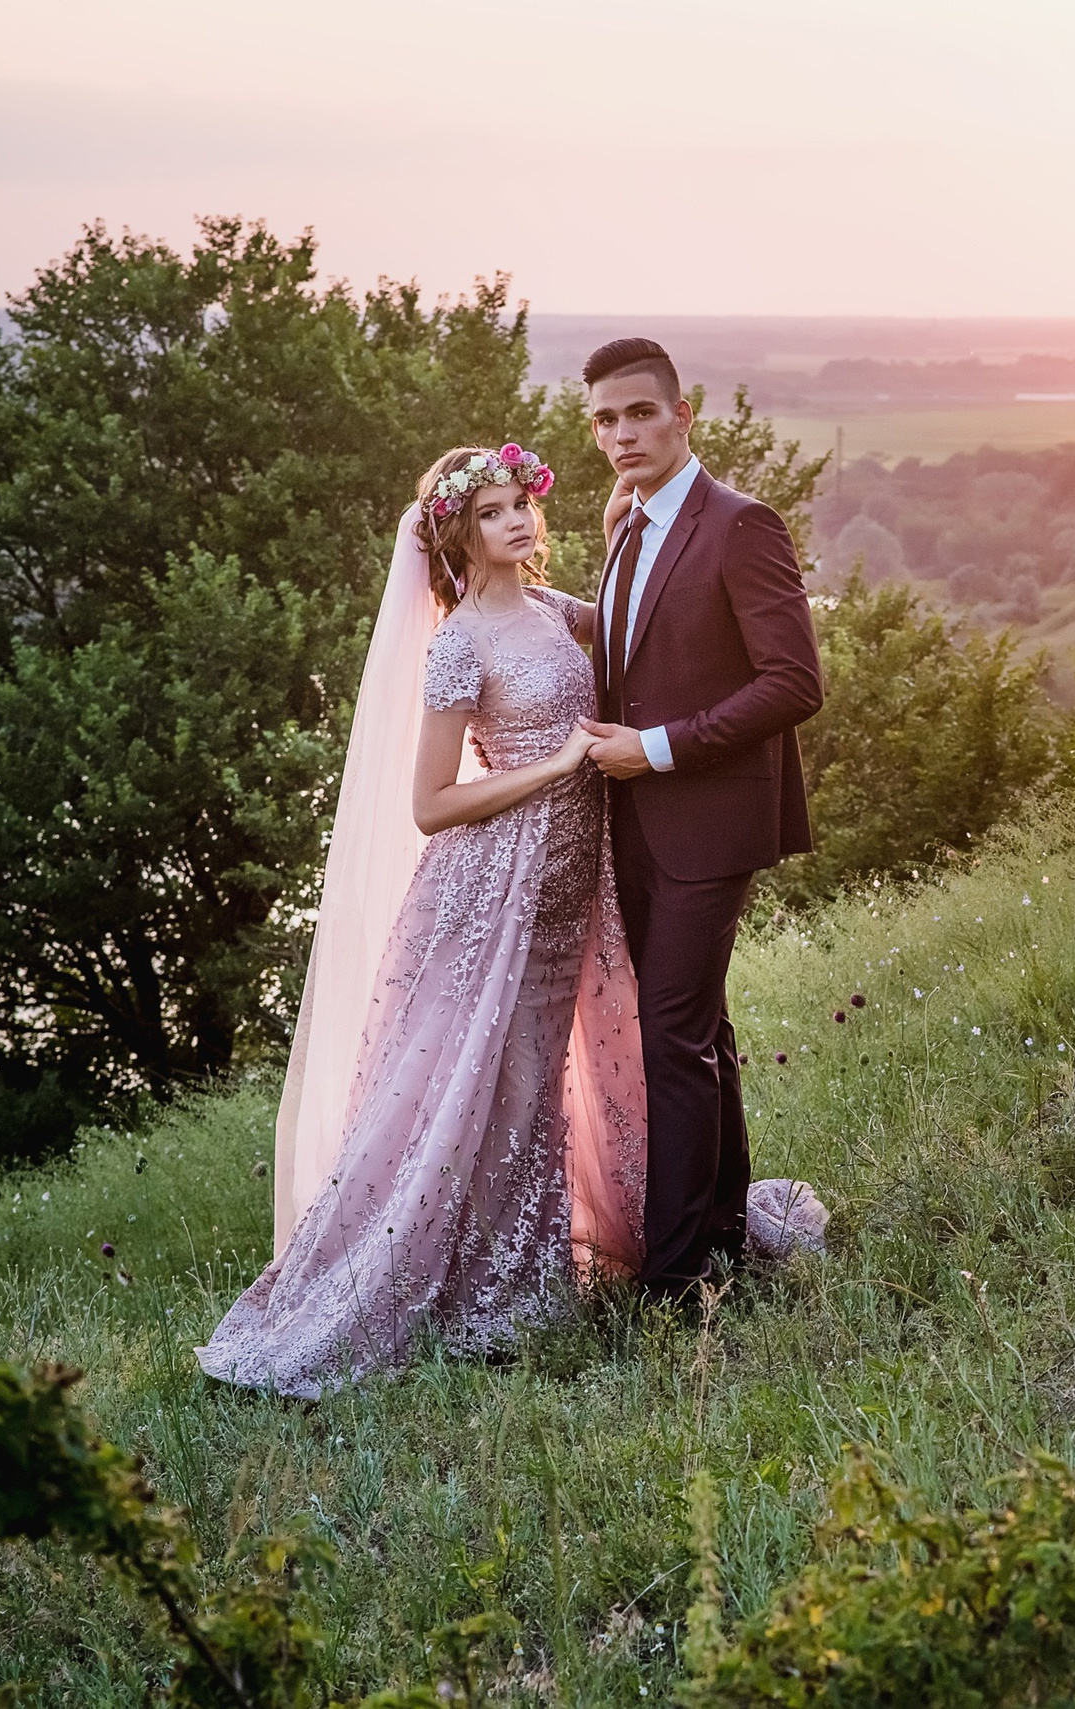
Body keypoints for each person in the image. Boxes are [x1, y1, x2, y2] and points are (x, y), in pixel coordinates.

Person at [197, 444, 646, 1397]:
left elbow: (624, 621)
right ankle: (493, 1295)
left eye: (521, 501)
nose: (517, 521)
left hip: (571, 880)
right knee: (499, 1082)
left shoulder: (559, 612)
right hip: (496, 883)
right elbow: (432, 803)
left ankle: (548, 1263)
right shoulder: (459, 644)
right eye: (491, 512)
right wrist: (555, 765)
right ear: (457, 531)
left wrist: (619, 522)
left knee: (552, 1073)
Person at [573, 336, 824, 1296]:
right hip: (634, 823)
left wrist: (660, 747)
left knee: (670, 1034)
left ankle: (678, 1287)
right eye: (604, 418)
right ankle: (718, 1236)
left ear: (685, 415)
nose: (622, 432)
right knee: (700, 1029)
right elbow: (635, 640)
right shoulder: (629, 524)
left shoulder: (740, 524)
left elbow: (794, 682)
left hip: (708, 821)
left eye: (640, 412)